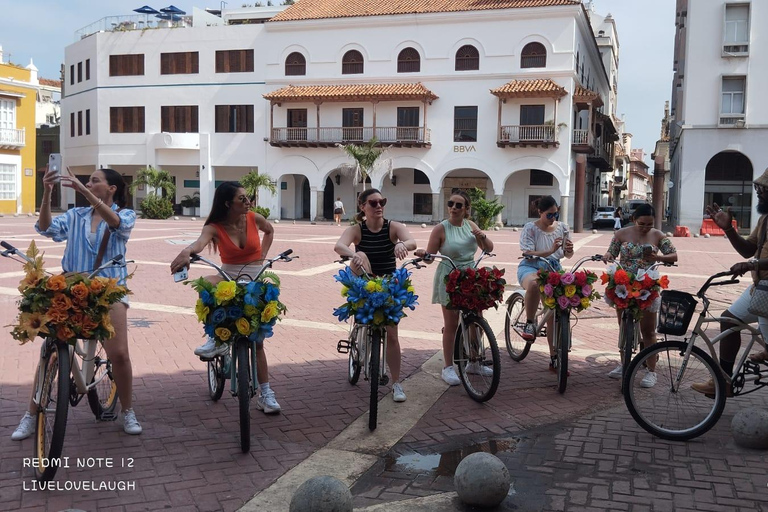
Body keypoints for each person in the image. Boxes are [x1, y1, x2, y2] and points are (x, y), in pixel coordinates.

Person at [12, 167, 142, 440]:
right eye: (87, 181)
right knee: (50, 352)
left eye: (95, 181)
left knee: (119, 354)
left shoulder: (125, 214)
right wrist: (47, 192)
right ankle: (31, 413)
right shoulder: (75, 215)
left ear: (112, 189)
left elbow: (117, 223)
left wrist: (83, 192)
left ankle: (127, 410)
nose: (88, 183)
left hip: (110, 289)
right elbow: (46, 228)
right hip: (72, 287)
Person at [170, 181, 282, 414]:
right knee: (205, 286)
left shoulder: (254, 217)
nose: (248, 201)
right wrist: (187, 251)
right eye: (242, 198)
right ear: (227, 203)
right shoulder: (214, 226)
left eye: (247, 197)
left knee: (258, 340)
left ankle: (266, 393)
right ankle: (215, 339)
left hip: (255, 274)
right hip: (228, 273)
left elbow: (270, 231)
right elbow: (199, 244)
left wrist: (262, 256)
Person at [334, 188, 417, 402]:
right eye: (373, 203)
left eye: (382, 201)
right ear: (363, 207)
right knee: (358, 254)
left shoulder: (393, 227)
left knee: (392, 335)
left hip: (388, 285)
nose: (379, 206)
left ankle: (396, 383)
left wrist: (400, 243)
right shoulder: (357, 229)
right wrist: (355, 253)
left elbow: (412, 242)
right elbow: (339, 245)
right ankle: (359, 336)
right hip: (364, 281)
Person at [692, 170, 768, 395]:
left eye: (763, 190)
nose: (759, 194)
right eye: (758, 189)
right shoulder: (765, 219)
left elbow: (751, 260)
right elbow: (748, 250)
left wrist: (753, 266)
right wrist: (728, 229)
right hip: (762, 287)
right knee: (728, 319)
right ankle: (723, 380)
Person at [414, 190, 495, 386]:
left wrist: (482, 236)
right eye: (451, 204)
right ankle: (448, 367)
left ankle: (474, 362)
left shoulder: (470, 225)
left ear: (467, 209)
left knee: (477, 319)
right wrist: (424, 254)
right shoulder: (441, 229)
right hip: (449, 275)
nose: (454, 208)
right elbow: (431, 258)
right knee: (451, 324)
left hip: (470, 274)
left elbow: (488, 248)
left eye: (459, 205)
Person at [603, 204, 678, 388]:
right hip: (624, 282)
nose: (645, 227)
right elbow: (611, 252)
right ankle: (624, 363)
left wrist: (657, 258)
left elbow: (674, 256)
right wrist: (607, 256)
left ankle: (651, 371)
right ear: (634, 220)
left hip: (647, 284)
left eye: (649, 224)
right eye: (641, 223)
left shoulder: (658, 235)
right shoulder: (621, 233)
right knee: (623, 327)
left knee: (648, 330)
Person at [517, 196, 574, 372]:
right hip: (531, 266)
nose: (553, 218)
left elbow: (568, 255)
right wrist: (550, 251)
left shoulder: (563, 227)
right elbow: (527, 252)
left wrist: (568, 250)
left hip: (554, 268)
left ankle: (555, 358)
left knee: (554, 313)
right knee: (534, 284)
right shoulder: (530, 228)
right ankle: (529, 322)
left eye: (556, 214)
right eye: (549, 215)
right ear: (540, 212)